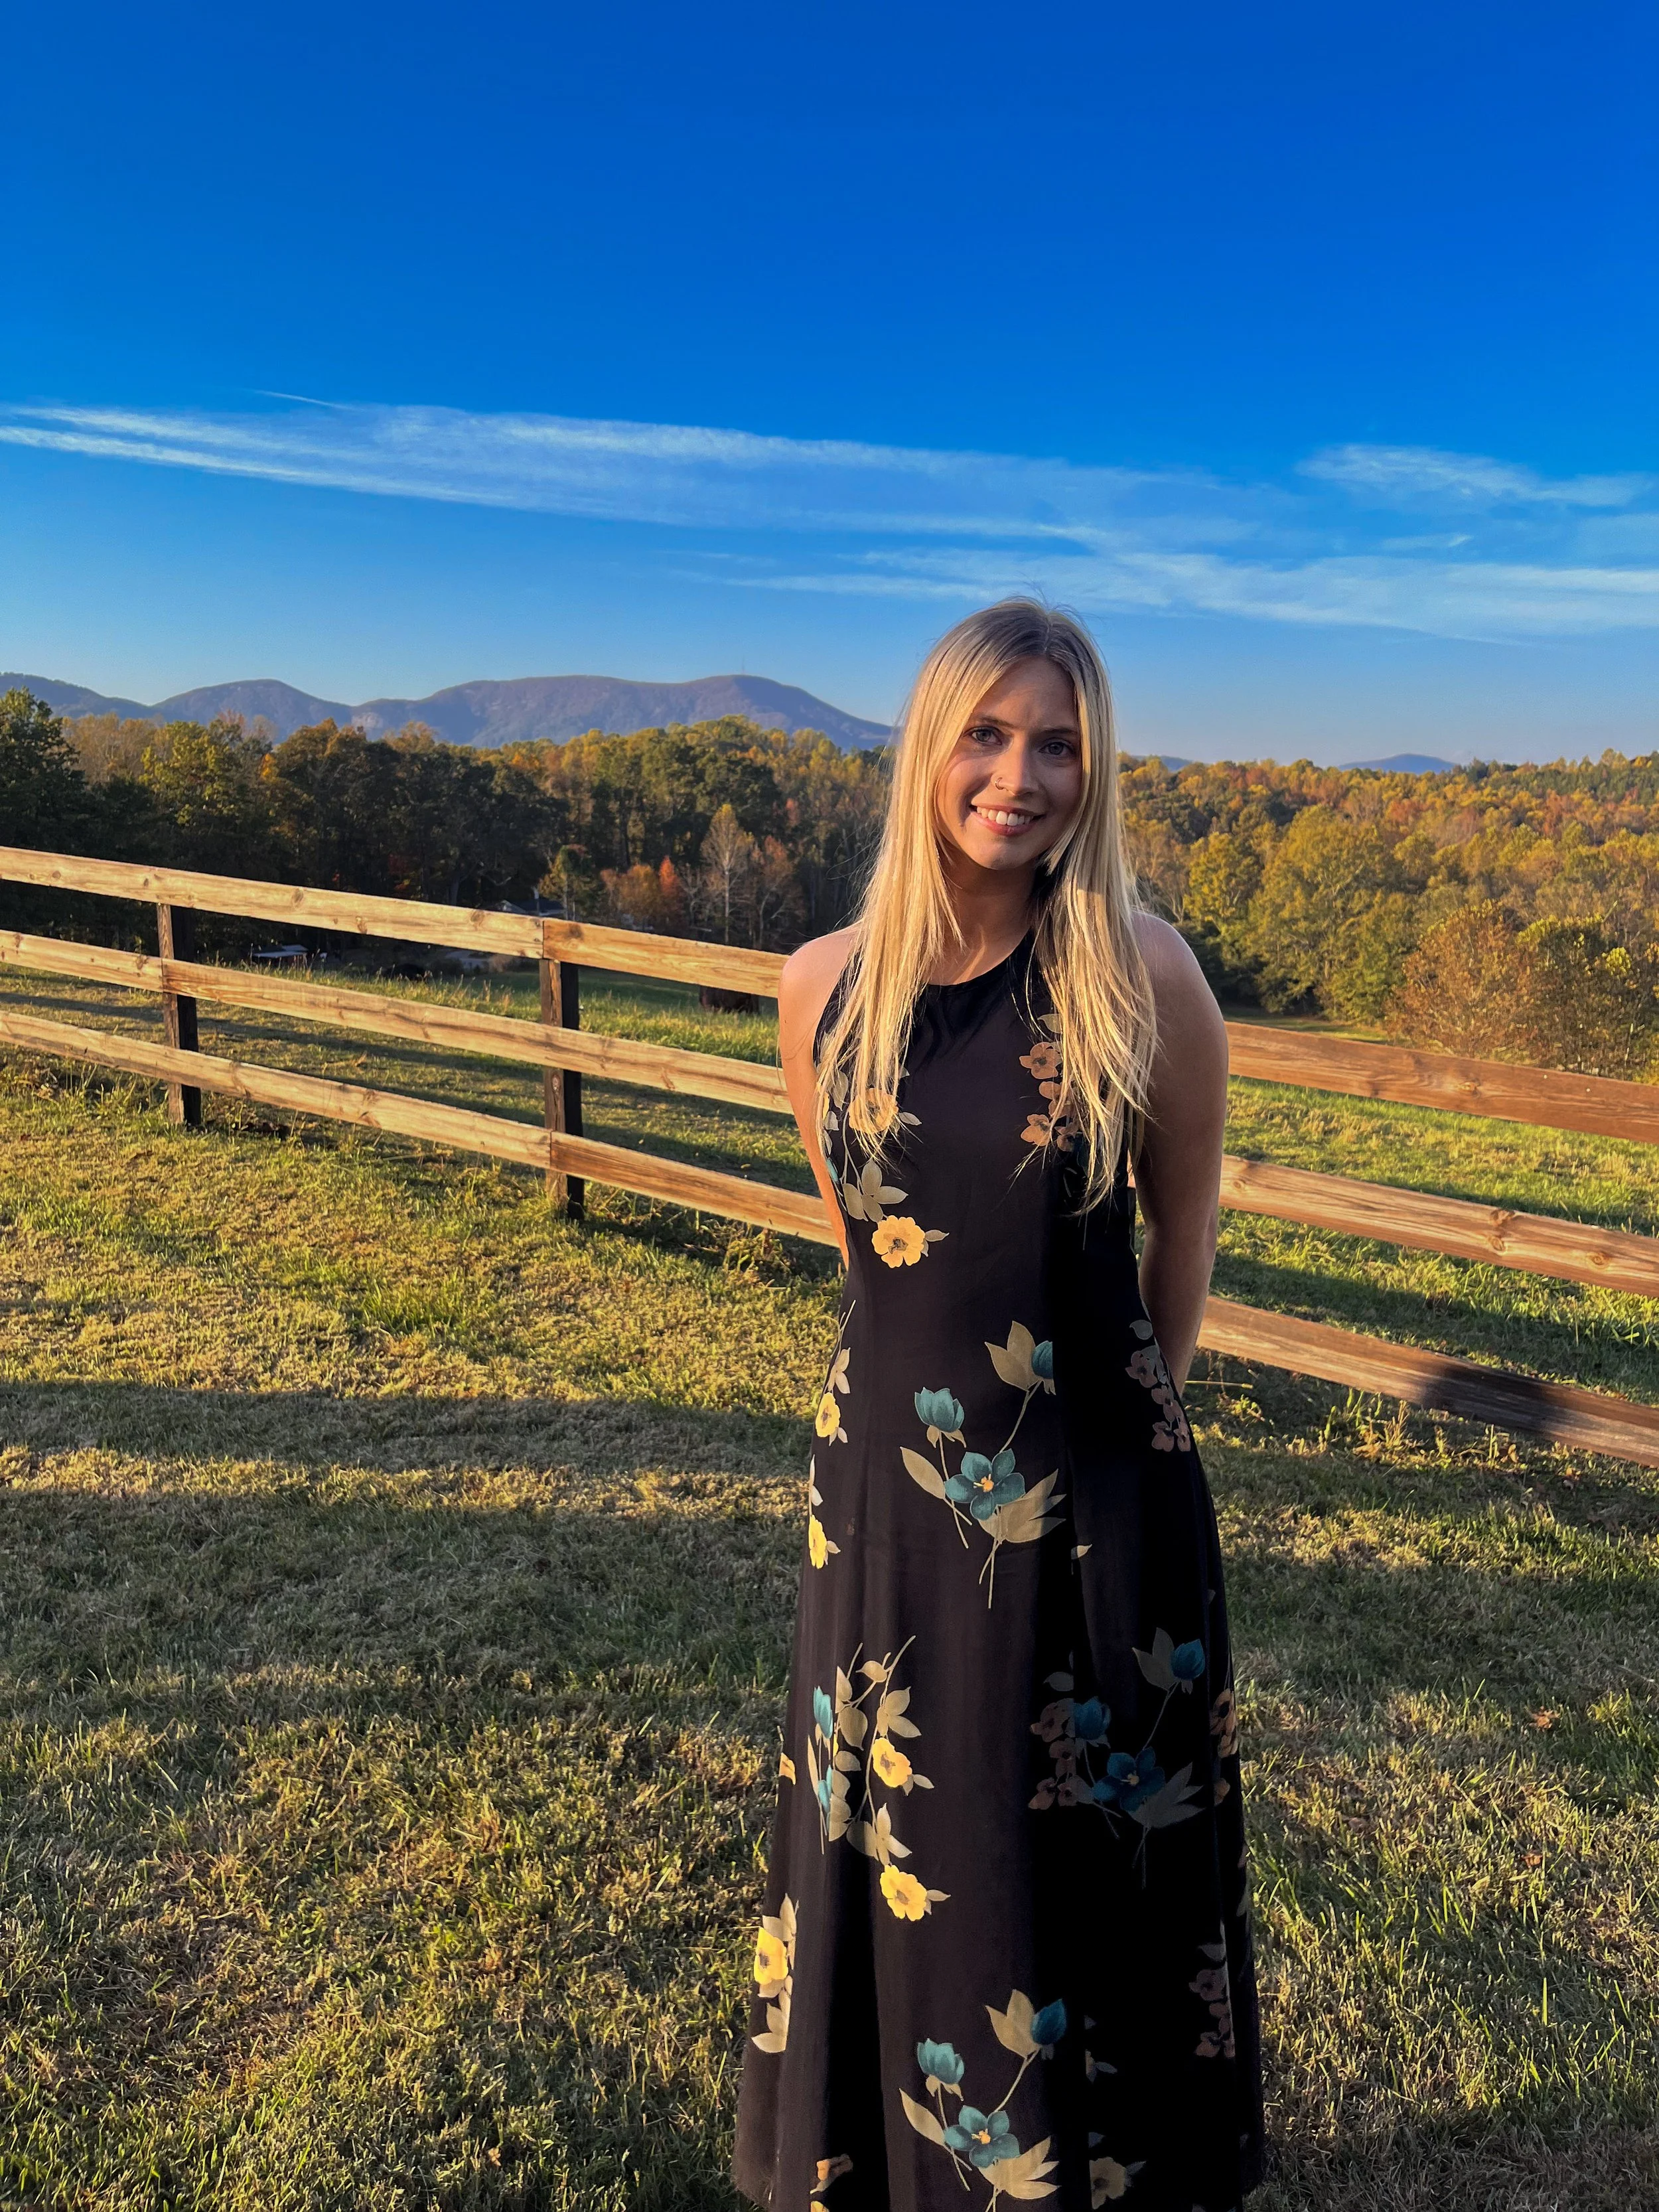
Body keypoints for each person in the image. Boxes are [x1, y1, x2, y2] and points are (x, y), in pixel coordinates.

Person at [733, 600, 1264, 2212]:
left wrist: (1113, 1429)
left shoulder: (1138, 972)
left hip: (1095, 1501)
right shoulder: (818, 987)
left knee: (1082, 1852)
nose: (1018, 776)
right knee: (918, 1838)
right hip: (885, 1503)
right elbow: (868, 1250)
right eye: (987, 733)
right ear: (926, 746)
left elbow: (1180, 1242)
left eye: (1055, 743)